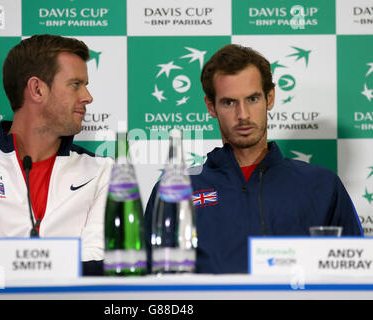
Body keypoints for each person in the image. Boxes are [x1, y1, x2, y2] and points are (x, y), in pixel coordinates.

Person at [144, 44, 363, 274]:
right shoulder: (175, 190)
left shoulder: (322, 185)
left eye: (253, 99)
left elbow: (357, 278)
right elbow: (147, 284)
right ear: (211, 106)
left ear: (270, 98)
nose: (243, 115)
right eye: (229, 102)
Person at [0, 34, 113, 275]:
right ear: (37, 89)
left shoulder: (104, 170)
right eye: (75, 84)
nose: (87, 97)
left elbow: (99, 261)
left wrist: (8, 261)